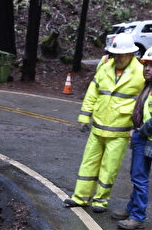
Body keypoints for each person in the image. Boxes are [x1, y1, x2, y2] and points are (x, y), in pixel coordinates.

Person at [63, 34, 146, 212]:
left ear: (131, 54)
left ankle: (100, 201)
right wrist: (84, 117)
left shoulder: (141, 73)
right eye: (116, 55)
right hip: (98, 127)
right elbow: (92, 93)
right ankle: (80, 197)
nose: (118, 58)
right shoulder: (105, 68)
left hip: (120, 131)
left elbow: (145, 102)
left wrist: (138, 127)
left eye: (122, 55)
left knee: (109, 168)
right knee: (88, 163)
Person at [115, 45, 152, 230]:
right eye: (146, 64)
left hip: (148, 138)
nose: (147, 68)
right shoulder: (151, 84)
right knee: (137, 175)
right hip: (143, 136)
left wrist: (141, 131)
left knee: (139, 177)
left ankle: (137, 216)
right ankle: (131, 209)